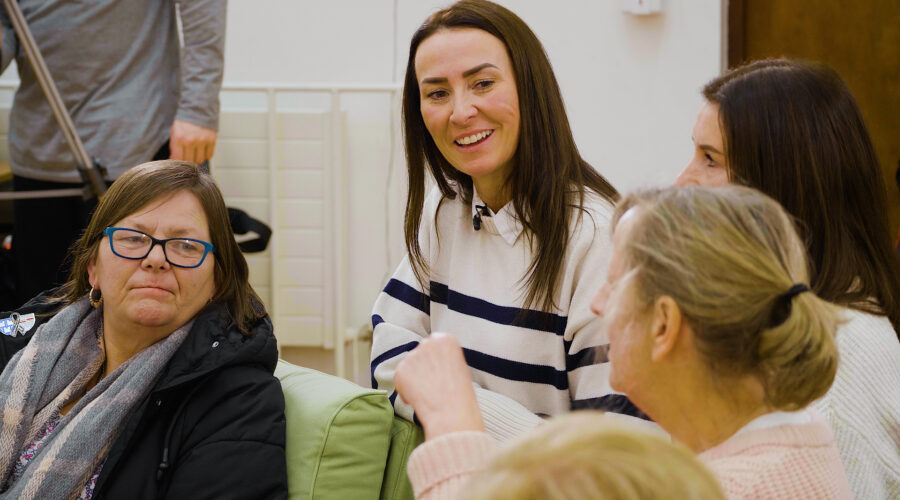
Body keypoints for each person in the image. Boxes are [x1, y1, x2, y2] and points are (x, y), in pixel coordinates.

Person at [396, 185, 850, 499]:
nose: (596, 305)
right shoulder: (792, 441)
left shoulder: (733, 488)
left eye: (613, 284)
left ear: (663, 325)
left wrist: (454, 430)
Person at [370, 0, 632, 442]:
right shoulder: (445, 209)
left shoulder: (596, 237)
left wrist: (458, 412)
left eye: (483, 83)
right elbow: (387, 355)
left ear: (531, 88)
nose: (461, 112)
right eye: (437, 93)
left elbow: (615, 449)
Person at [677, 58, 900, 498]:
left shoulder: (839, 372)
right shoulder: (777, 317)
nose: (683, 181)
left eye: (710, 160)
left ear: (777, 184)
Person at [0, 161, 286, 498]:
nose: (155, 259)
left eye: (185, 246)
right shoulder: (21, 338)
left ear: (216, 282)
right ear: (93, 267)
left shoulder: (239, 400)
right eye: (133, 238)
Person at [0, 0, 226, 306]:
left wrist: (199, 109)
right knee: (44, 309)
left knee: (161, 299)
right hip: (42, 151)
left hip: (139, 143)